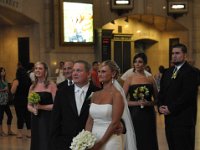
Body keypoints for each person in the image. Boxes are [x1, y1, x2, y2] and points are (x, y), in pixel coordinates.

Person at [85, 60, 137, 150]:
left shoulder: (117, 95)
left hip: (110, 139)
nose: (100, 74)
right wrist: (86, 139)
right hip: (93, 138)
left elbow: (115, 123)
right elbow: (90, 120)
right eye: (99, 72)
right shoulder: (95, 94)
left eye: (103, 71)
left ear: (113, 74)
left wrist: (100, 143)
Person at [49, 60, 101, 150]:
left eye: (79, 70)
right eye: (73, 71)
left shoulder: (98, 92)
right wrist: (55, 143)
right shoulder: (62, 92)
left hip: (91, 142)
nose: (74, 73)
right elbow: (55, 119)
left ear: (88, 74)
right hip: (65, 142)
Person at [157, 43, 199, 150]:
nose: (174, 56)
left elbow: (187, 96)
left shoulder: (192, 72)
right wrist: (160, 106)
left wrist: (171, 108)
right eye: (172, 53)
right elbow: (161, 93)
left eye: (177, 53)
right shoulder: (167, 72)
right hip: (169, 120)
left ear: (184, 55)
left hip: (184, 120)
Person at [123, 53, 159, 150]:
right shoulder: (129, 79)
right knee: (136, 137)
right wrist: (137, 103)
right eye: (135, 62)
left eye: (140, 62)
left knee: (148, 137)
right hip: (134, 114)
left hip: (148, 114)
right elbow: (122, 100)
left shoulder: (150, 79)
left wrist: (148, 103)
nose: (137, 64)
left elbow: (157, 99)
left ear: (145, 64)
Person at [27, 62, 57, 150]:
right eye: (36, 68)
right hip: (36, 118)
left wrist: (41, 107)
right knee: (37, 140)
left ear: (45, 71)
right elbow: (28, 105)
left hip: (48, 119)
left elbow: (57, 106)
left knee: (46, 141)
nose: (37, 70)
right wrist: (33, 110)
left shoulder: (52, 85)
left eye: (40, 68)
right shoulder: (32, 87)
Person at [11, 66, 32, 138]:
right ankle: (29, 133)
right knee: (28, 116)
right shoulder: (29, 80)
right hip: (27, 99)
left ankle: (19, 134)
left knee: (20, 116)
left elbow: (12, 91)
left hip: (18, 100)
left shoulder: (16, 81)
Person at [0, 67, 15, 136]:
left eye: (4, 71)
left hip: (5, 101)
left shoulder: (5, 80)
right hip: (0, 101)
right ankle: (1, 131)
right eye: (2, 71)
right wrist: (3, 90)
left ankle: (9, 131)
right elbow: (3, 89)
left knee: (10, 115)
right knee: (1, 117)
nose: (3, 72)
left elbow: (8, 90)